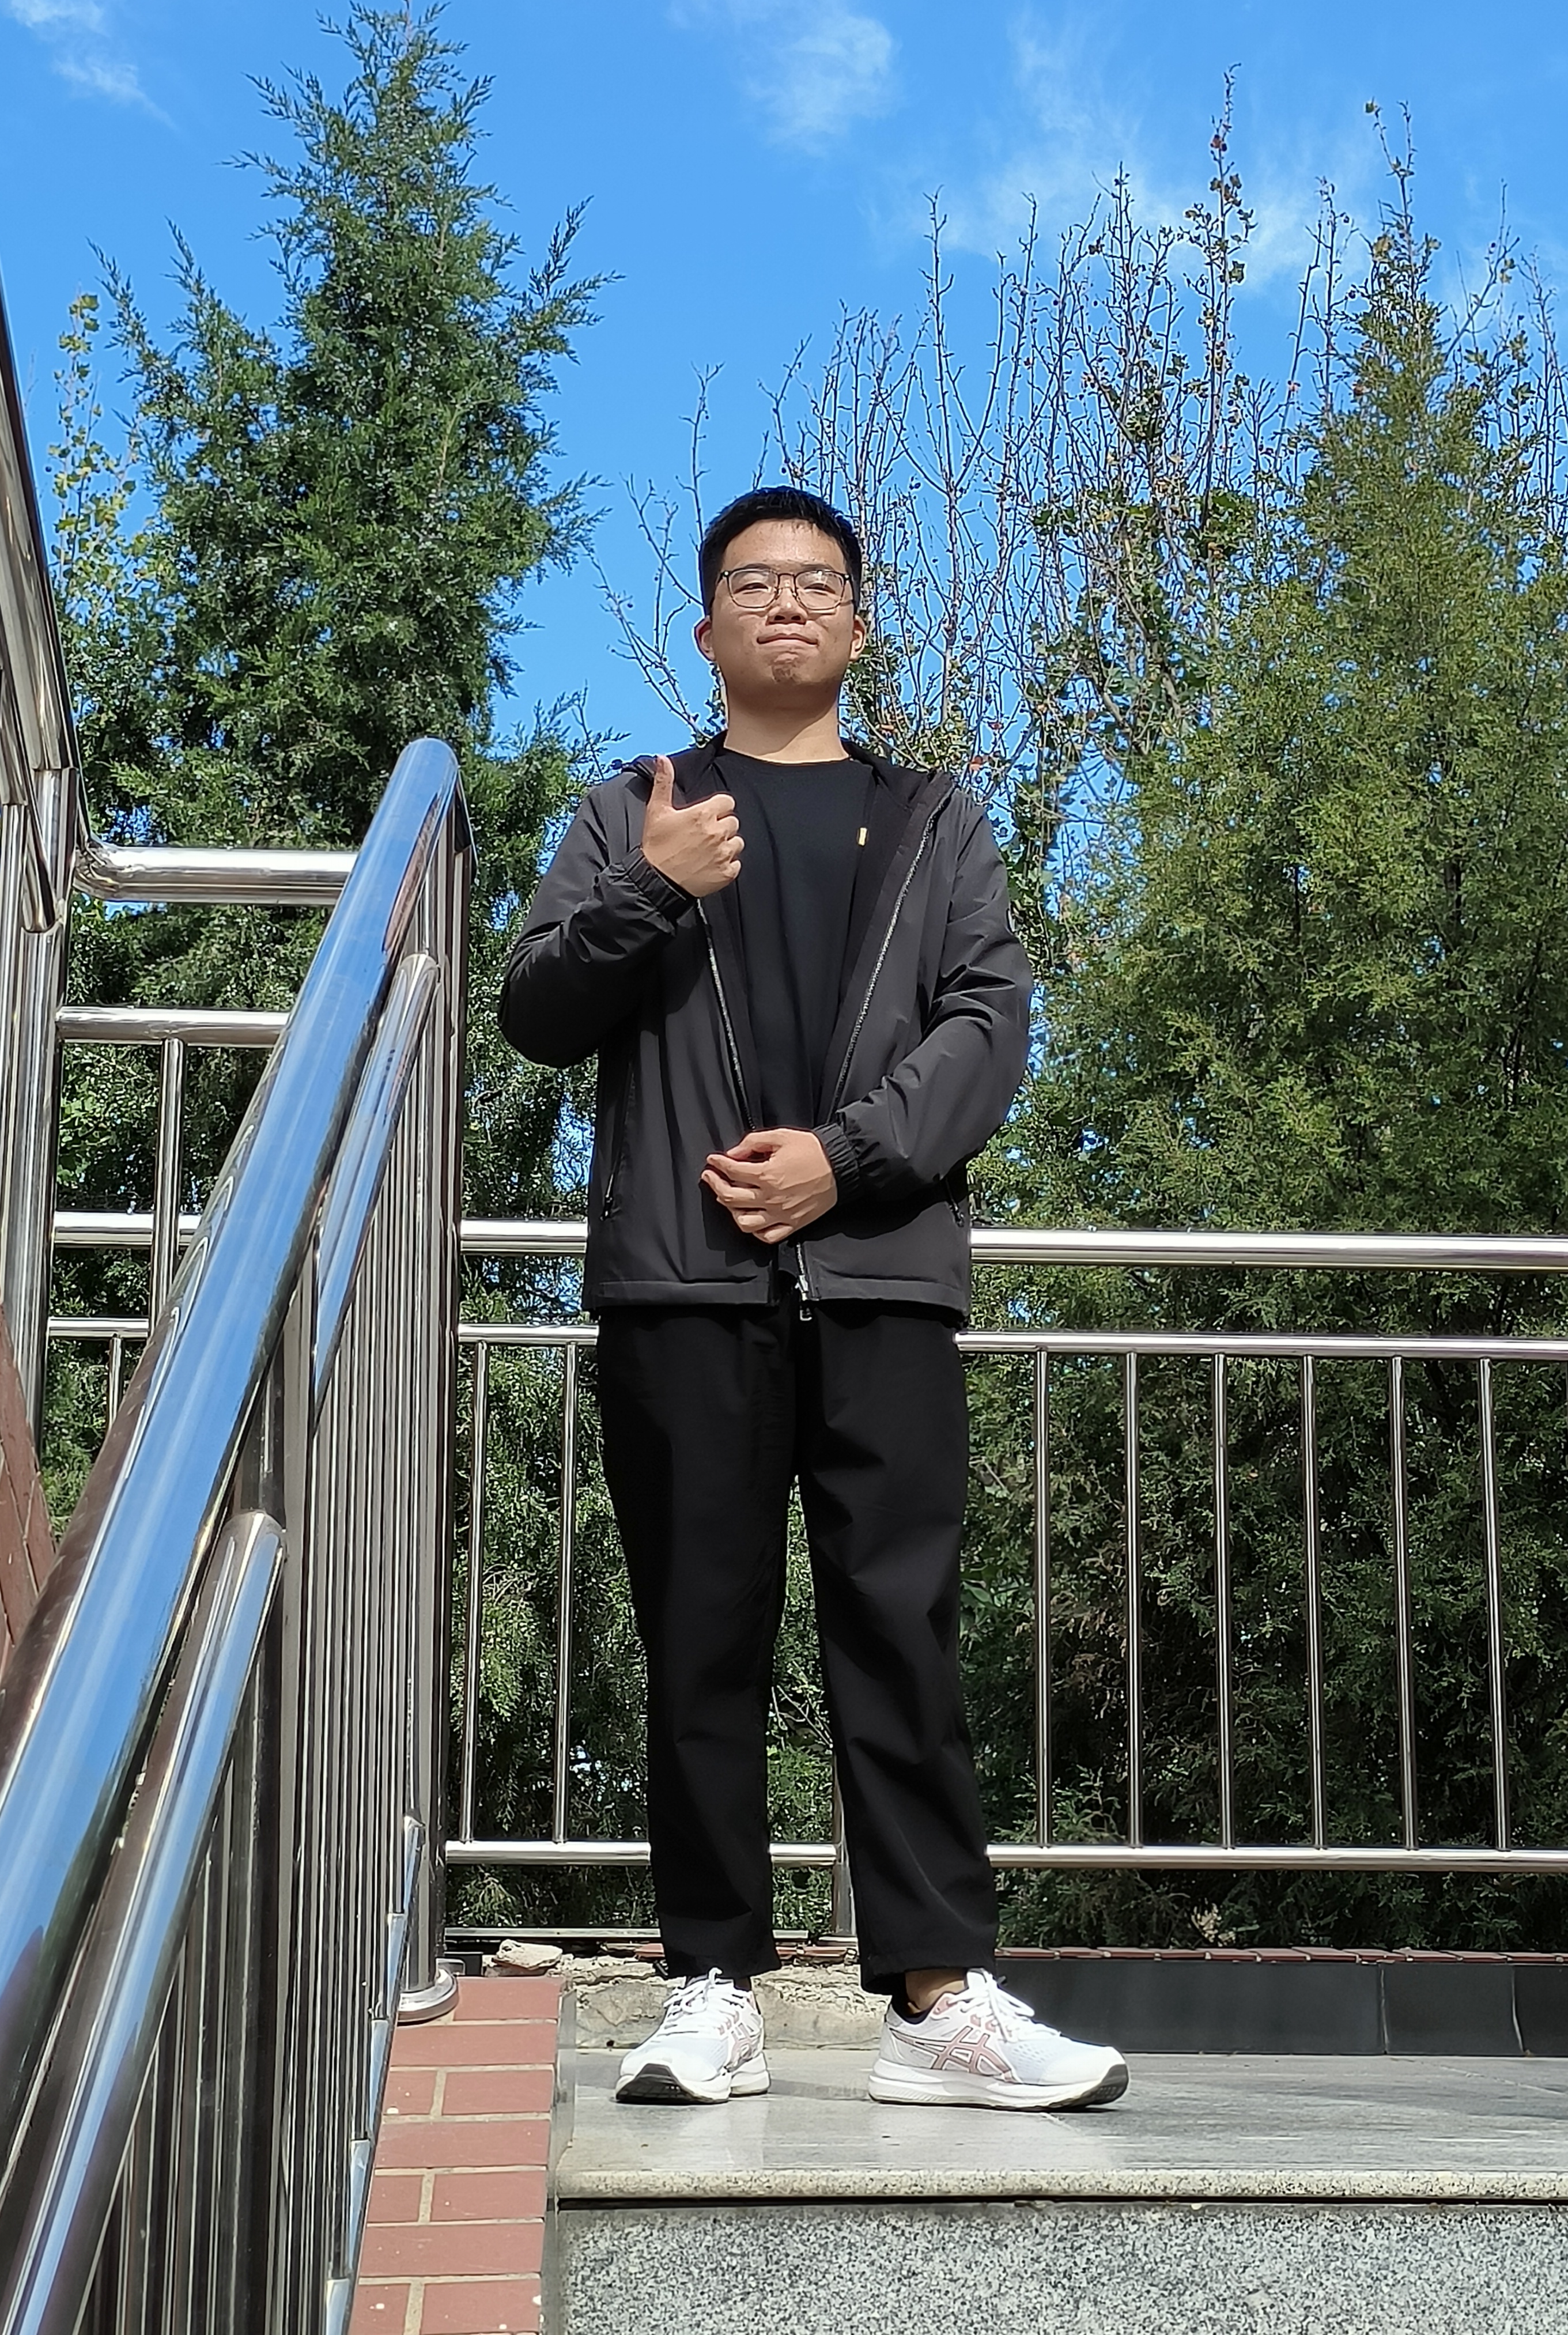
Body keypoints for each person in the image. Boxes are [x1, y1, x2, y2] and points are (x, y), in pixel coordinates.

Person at [501, 484, 1127, 2113]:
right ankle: (709, 1988)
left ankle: (937, 2000)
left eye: (817, 581)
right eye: (754, 582)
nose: (787, 602)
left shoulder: (934, 819)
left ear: (857, 621)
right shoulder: (633, 810)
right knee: (699, 1640)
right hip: (682, 1284)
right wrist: (653, 889)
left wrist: (840, 1166)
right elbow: (535, 1012)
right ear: (706, 625)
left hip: (881, 1279)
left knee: (901, 1636)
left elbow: (988, 1025)